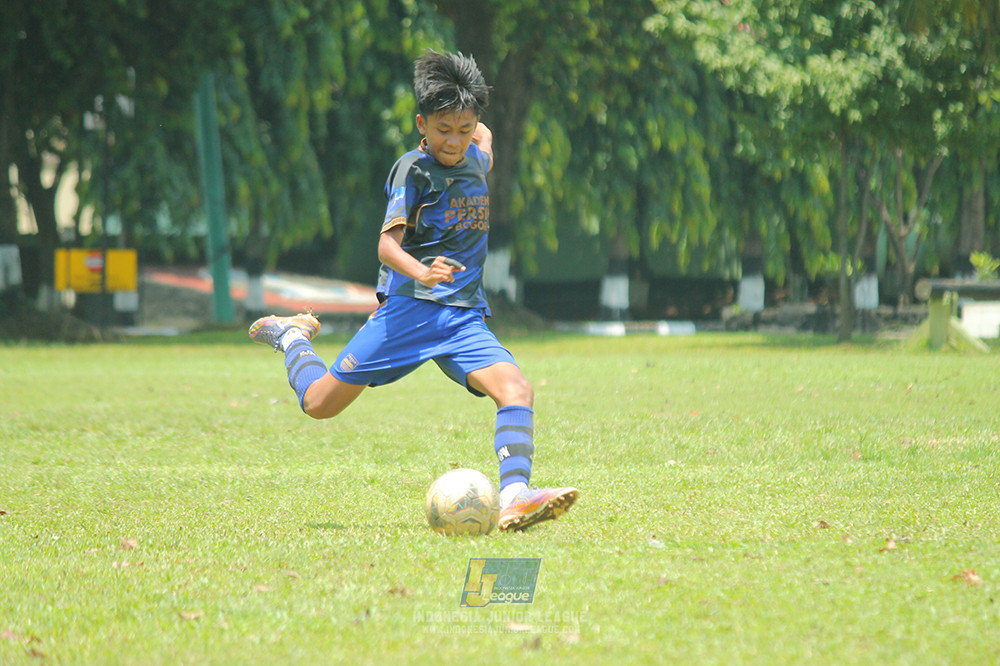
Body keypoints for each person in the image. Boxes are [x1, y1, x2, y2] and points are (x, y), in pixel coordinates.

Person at [248, 50, 577, 532]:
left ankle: (514, 496)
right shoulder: (413, 171)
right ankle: (292, 337)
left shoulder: (476, 154)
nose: (454, 140)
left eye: (464, 129)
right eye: (443, 129)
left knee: (517, 390)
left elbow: (485, 137)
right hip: (409, 312)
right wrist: (420, 273)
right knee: (319, 404)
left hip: (463, 317)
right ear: (421, 124)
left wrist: (474, 125)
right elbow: (385, 246)